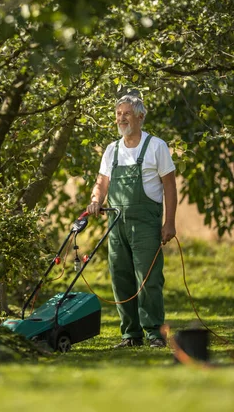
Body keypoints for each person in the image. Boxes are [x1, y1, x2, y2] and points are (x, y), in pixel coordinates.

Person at [87, 93, 177, 348]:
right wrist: (95, 199)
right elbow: (102, 182)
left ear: (140, 116)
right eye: (118, 114)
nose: (121, 118)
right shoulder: (111, 150)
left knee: (148, 279)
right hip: (116, 224)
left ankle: (154, 334)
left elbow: (169, 187)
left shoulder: (156, 146)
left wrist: (169, 223)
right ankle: (130, 335)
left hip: (146, 224)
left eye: (126, 113)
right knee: (121, 276)